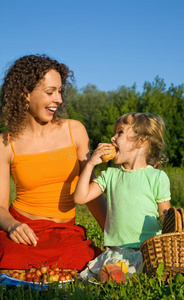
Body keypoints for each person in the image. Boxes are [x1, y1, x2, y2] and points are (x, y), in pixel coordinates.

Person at [0, 54, 107, 273]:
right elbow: (0, 207)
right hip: (24, 226)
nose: (58, 99)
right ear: (25, 94)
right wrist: (12, 226)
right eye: (50, 92)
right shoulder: (5, 143)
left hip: (65, 231)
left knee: (78, 260)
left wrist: (116, 236)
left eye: (60, 91)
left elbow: (91, 192)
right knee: (11, 257)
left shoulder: (74, 130)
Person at [73, 112, 171, 278]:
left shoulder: (156, 177)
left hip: (147, 251)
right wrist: (90, 164)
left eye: (120, 133)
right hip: (116, 253)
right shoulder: (110, 175)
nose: (112, 138)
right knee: (110, 276)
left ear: (141, 140)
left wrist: (171, 224)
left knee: (131, 277)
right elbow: (80, 198)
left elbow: (165, 217)